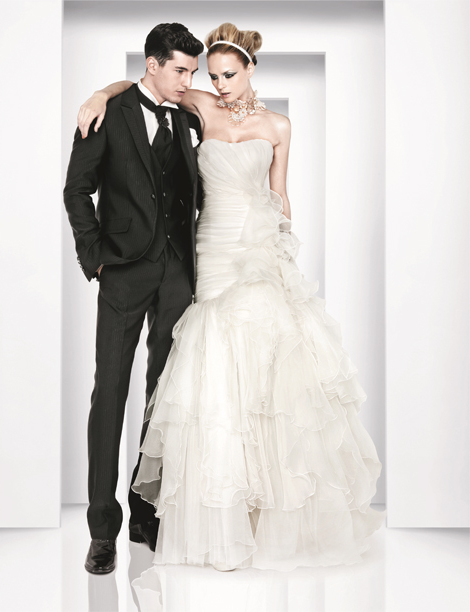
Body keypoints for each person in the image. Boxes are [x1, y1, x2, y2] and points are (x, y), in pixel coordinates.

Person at [78, 22, 386, 572]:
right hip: (197, 254)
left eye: (225, 74)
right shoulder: (193, 104)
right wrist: (101, 92)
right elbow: (140, 89)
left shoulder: (274, 124)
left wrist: (284, 249)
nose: (216, 84)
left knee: (227, 379)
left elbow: (279, 194)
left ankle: (219, 510)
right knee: (162, 381)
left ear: (250, 69)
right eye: (209, 75)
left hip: (229, 256)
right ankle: (132, 524)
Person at [63, 23, 204, 575]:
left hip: (177, 274)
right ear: (152, 64)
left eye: (192, 72)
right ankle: (102, 529)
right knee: (111, 393)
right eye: (179, 70)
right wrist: (95, 256)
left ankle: (146, 513)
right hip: (122, 271)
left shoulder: (188, 117)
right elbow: (77, 189)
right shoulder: (106, 113)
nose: (187, 81)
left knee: (163, 395)